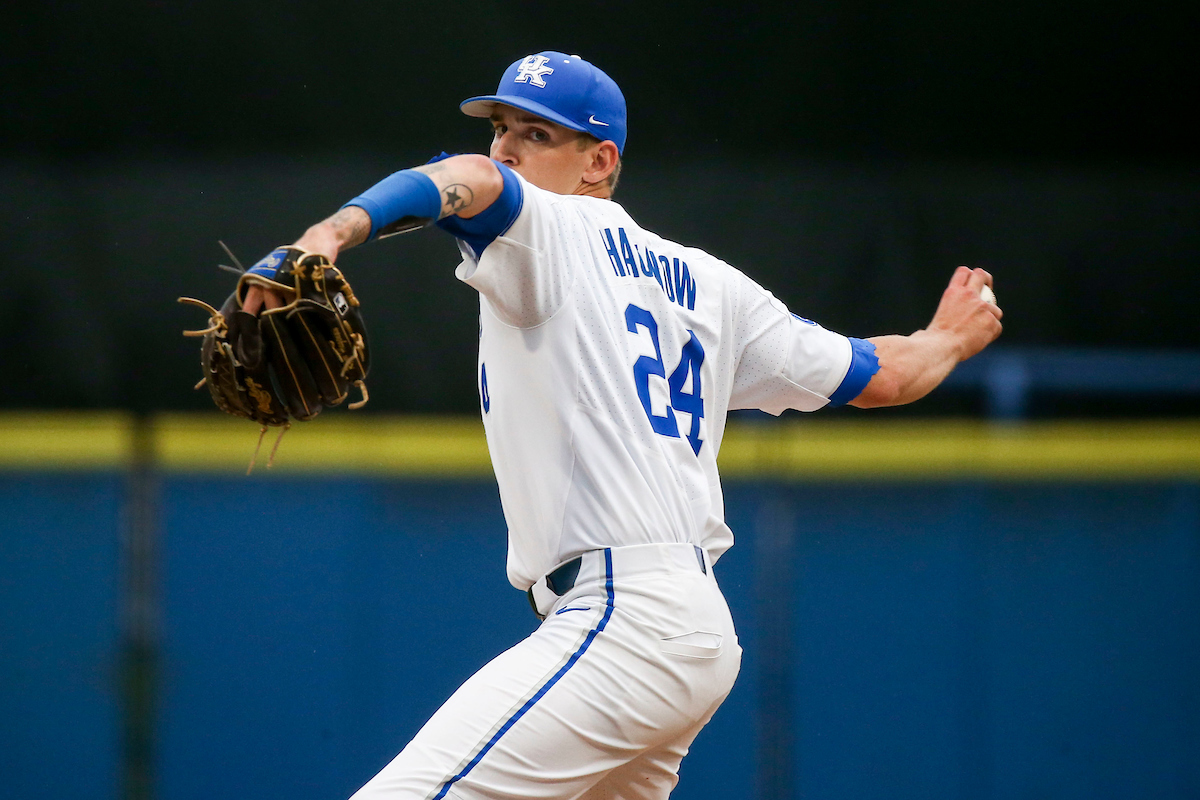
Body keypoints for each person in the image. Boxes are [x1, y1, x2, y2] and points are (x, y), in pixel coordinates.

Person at [243, 51, 1002, 800]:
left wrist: (331, 232)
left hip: (623, 620)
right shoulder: (712, 286)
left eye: (536, 134)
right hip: (690, 631)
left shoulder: (548, 231)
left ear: (599, 161)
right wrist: (951, 338)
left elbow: (468, 182)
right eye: (500, 127)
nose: (505, 148)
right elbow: (884, 375)